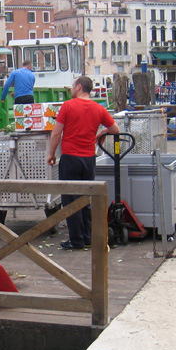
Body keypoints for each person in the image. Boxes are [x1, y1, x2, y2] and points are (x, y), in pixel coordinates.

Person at [47, 76, 119, 250]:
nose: (71, 88)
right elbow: (115, 129)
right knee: (86, 198)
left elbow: (56, 133)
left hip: (71, 157)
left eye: (73, 85)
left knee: (70, 199)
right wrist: (101, 132)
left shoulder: (68, 106)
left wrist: (51, 153)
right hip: (89, 159)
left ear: (79, 87)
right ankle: (88, 237)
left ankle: (76, 240)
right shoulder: (98, 108)